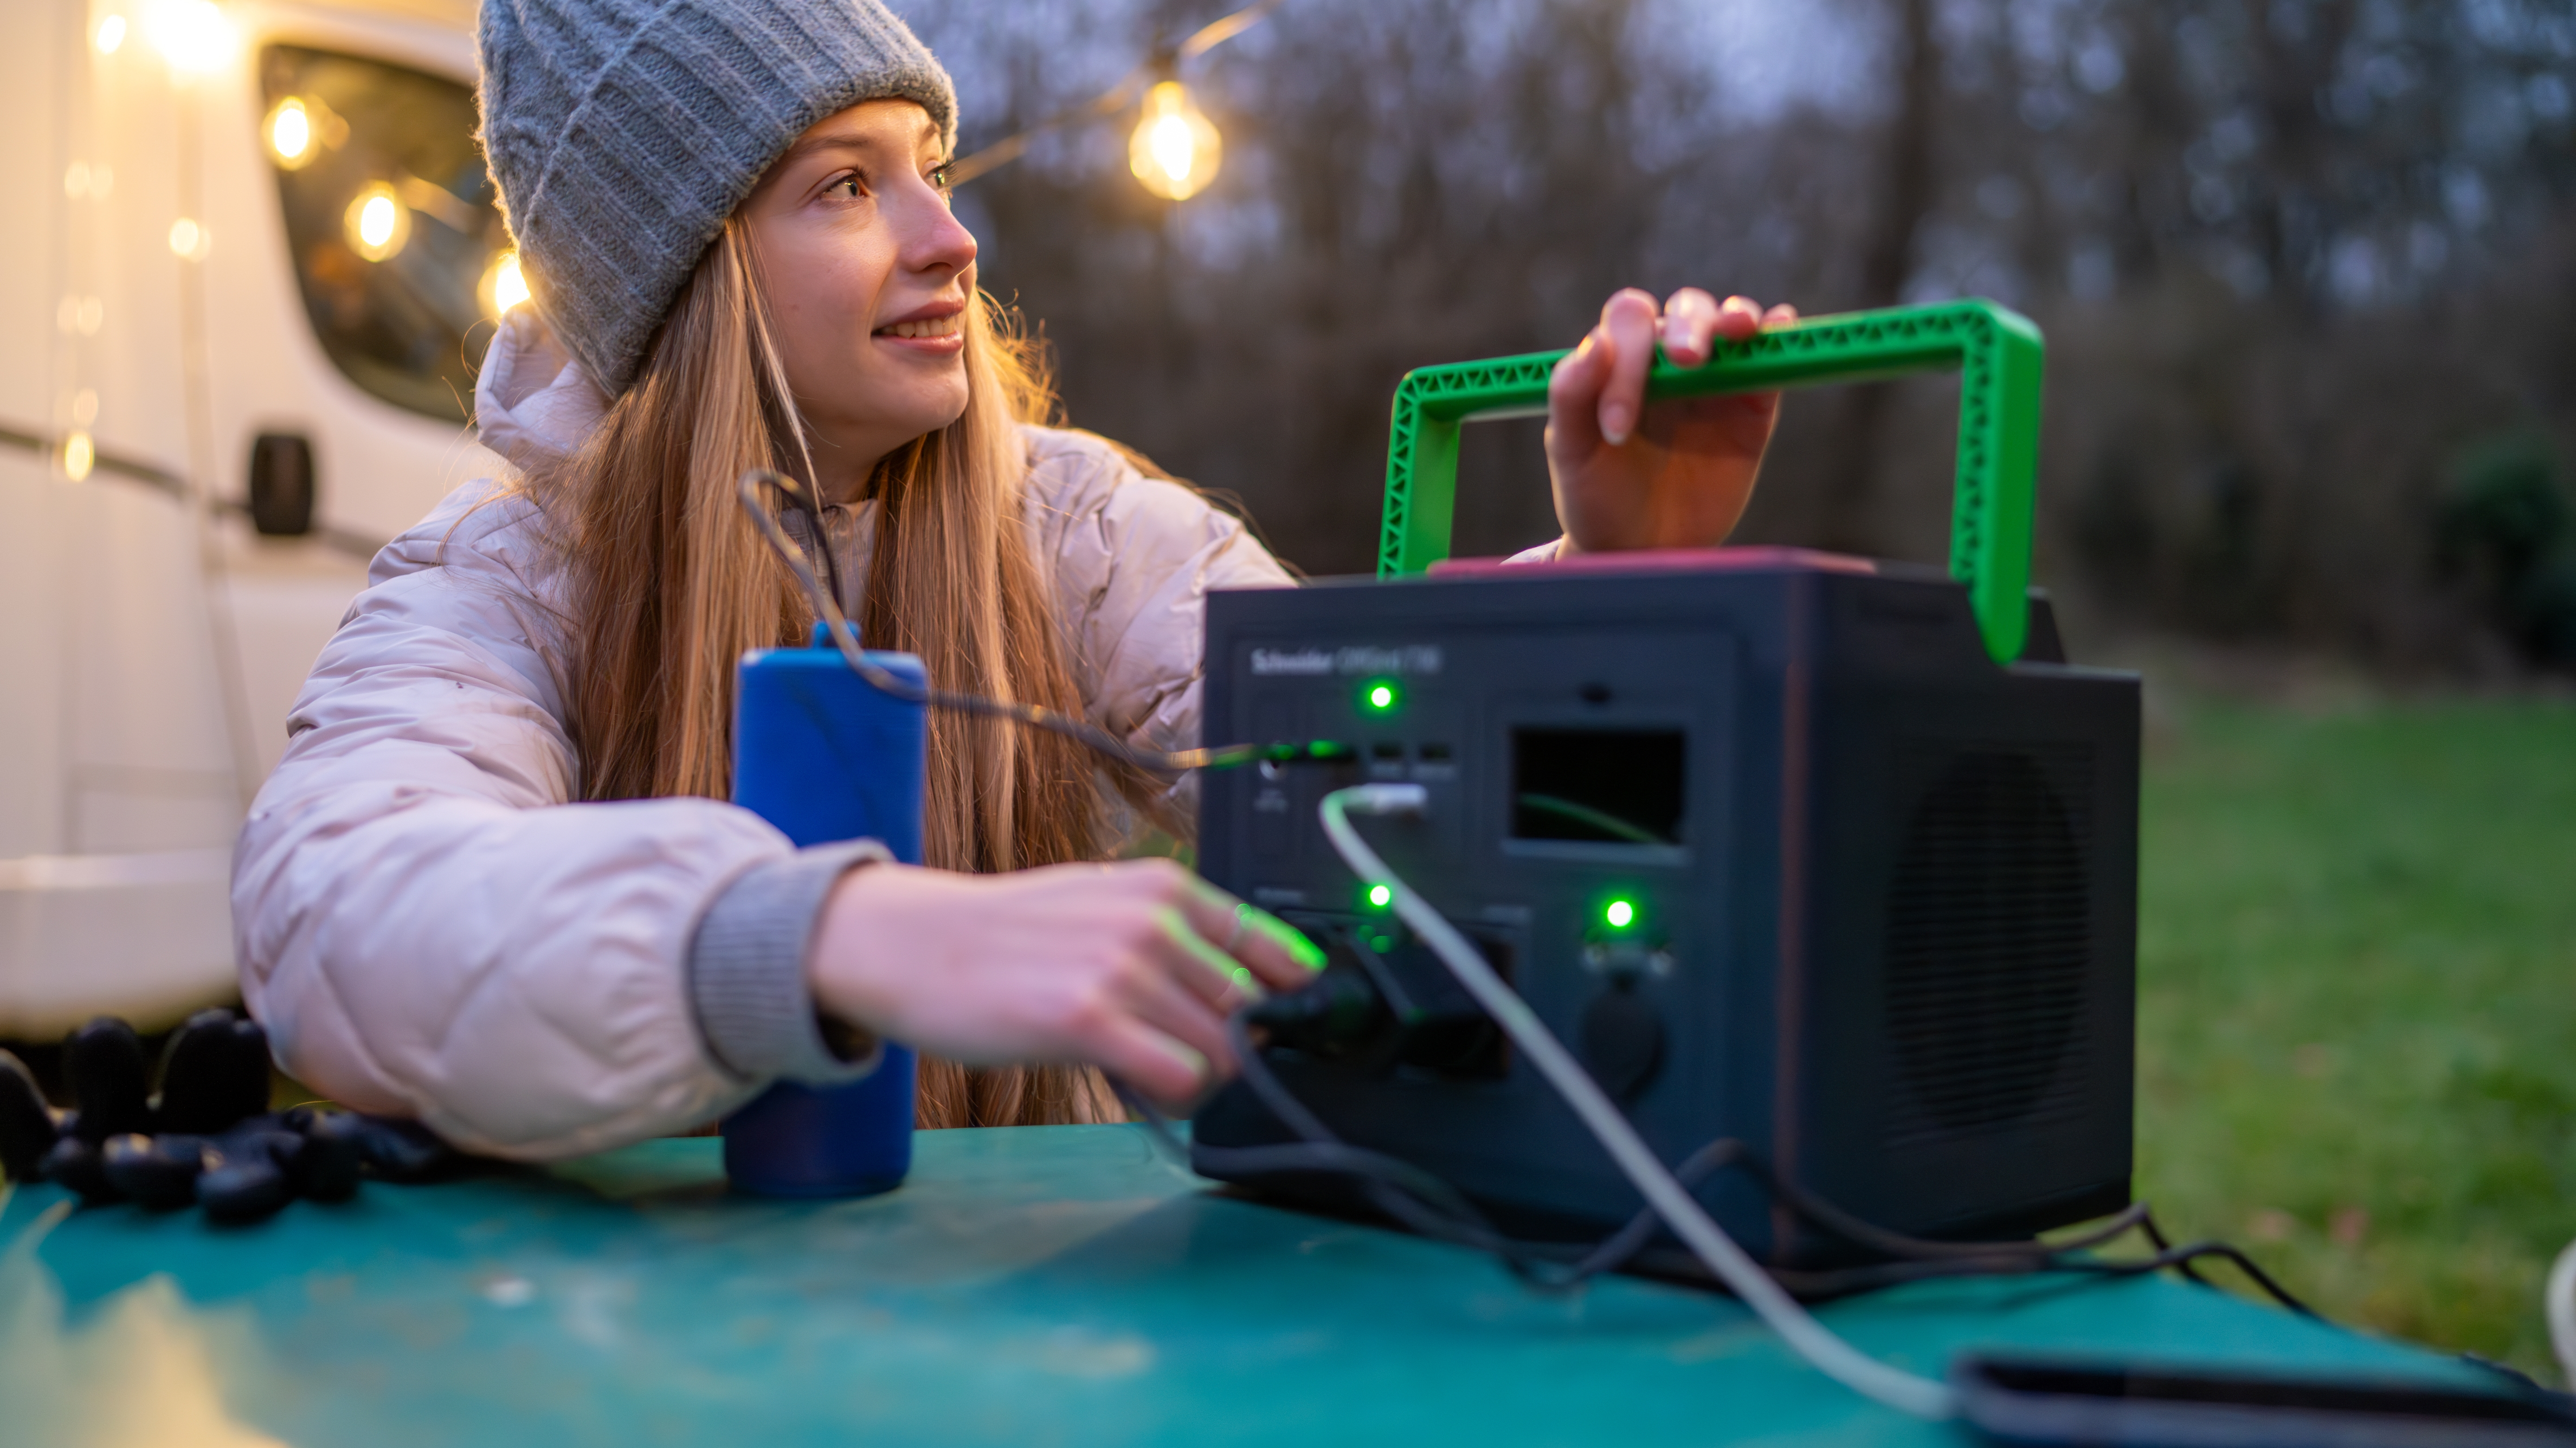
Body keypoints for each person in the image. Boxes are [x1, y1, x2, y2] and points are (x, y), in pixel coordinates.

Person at [230, 0, 1799, 1159]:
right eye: (847, 186)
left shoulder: (1072, 523)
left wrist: (1613, 582)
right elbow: (335, 924)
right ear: (685, 276)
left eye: (931, 167)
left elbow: (1375, 778)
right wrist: (829, 937)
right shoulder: (503, 577)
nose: (950, 240)